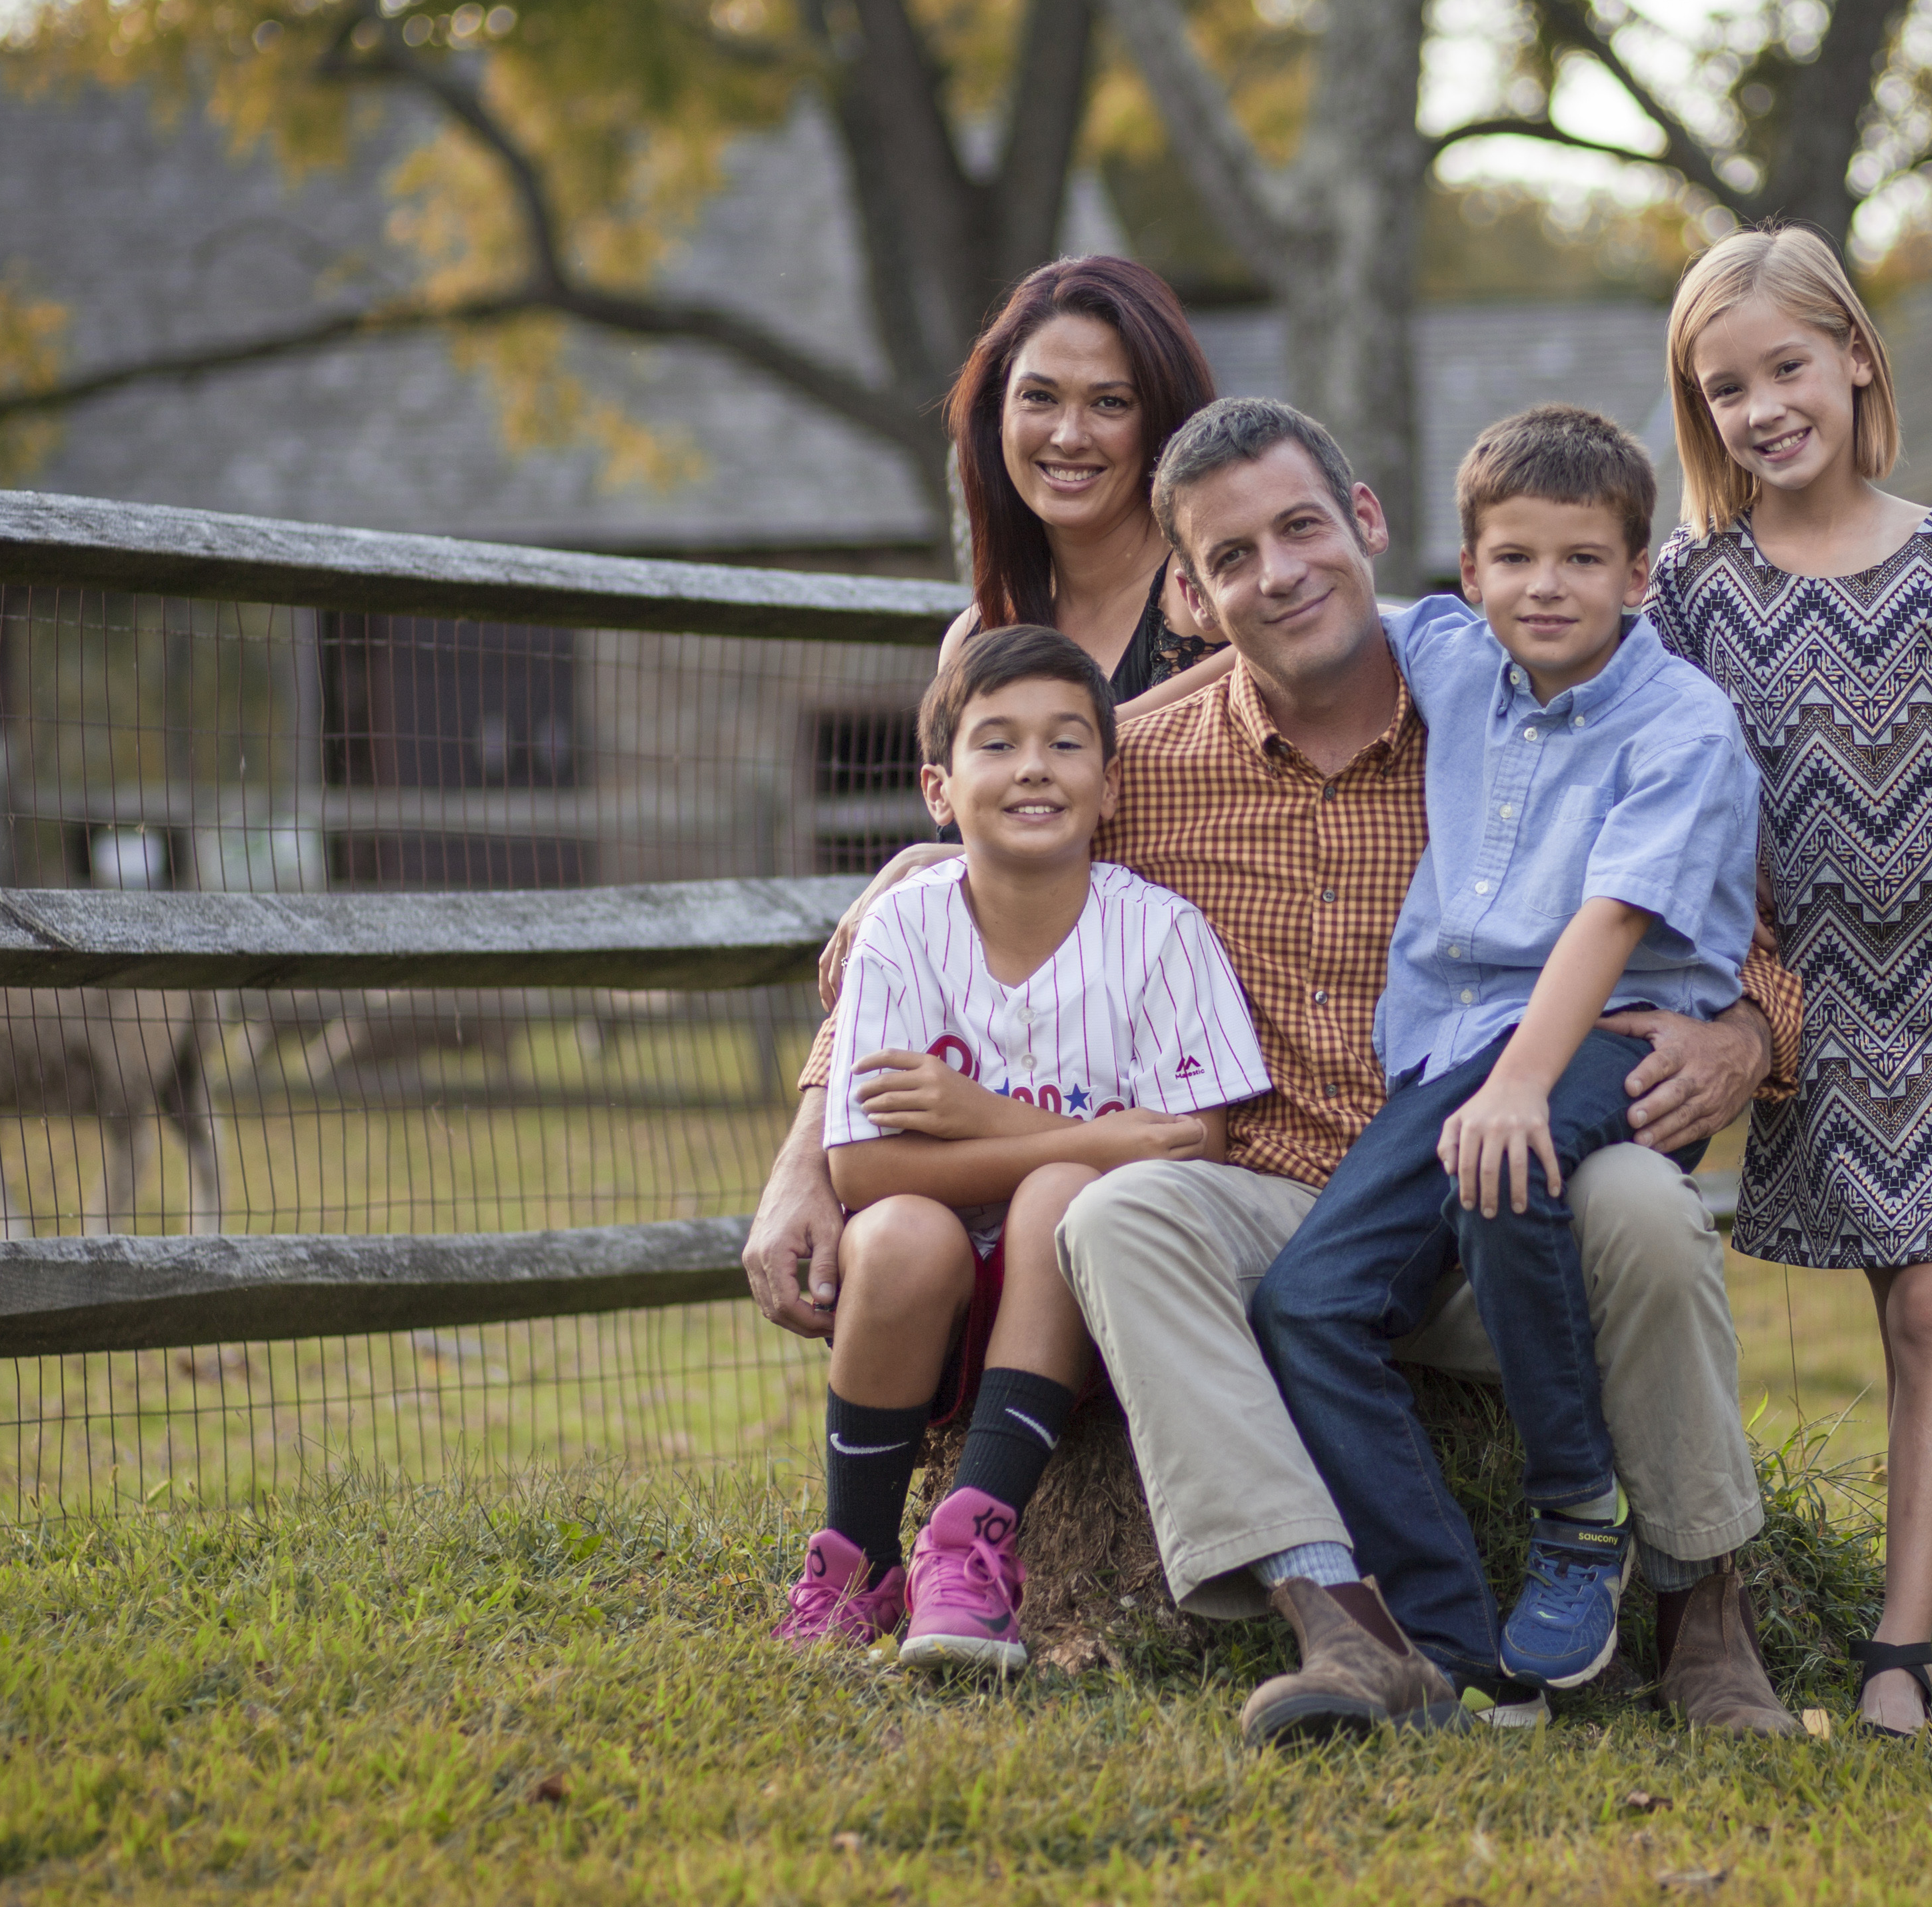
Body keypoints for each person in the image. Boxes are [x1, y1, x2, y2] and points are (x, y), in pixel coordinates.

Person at [749, 399, 1805, 1744]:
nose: (1281, 572)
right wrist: (809, 1136)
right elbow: (974, 878)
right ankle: (1348, 1627)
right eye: (1233, 557)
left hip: (1508, 1209)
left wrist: (1748, 1038)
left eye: (1303, 527)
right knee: (1113, 1209)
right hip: (1280, 1216)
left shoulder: (1495, 694)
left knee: (1646, 1206)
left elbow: (1733, 922)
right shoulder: (1146, 776)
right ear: (1190, 590)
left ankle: (1703, 1618)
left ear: (1367, 525)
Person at [1249, 405, 1760, 1697]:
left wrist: (1522, 1082)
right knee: (1307, 1303)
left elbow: (1612, 918)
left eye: (1583, 559)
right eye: (1516, 557)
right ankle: (1459, 1648)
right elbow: (1302, 620)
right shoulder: (1448, 650)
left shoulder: (1682, 725)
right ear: (1467, 573)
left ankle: (1578, 1506)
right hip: (1455, 1053)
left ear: (1639, 577)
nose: (1546, 586)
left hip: (1619, 1033)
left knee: (1508, 1158)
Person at [1646, 226, 1932, 1738]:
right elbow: (1637, 755)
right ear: (1702, 414)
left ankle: (1894, 1658)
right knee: (1911, 1319)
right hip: (1812, 1001)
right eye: (1727, 388)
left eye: (1788, 367)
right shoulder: (1692, 585)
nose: (1765, 406)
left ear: (1856, 358)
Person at [777, 626, 1269, 1676]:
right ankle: (854, 1559)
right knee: (906, 1228)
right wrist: (1090, 1135)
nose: (1033, 767)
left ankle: (972, 1542)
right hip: (929, 1300)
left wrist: (972, 1114)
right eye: (995, 744)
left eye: (1064, 743)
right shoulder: (903, 928)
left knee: (1058, 1192)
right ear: (938, 791)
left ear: (1108, 779)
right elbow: (862, 1173)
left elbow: (1192, 1141)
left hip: (1090, 1302)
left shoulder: (1161, 933)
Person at [938, 254, 1227, 713]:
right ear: (995, 414)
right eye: (1039, 397)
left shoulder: (1211, 600)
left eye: (1110, 402)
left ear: (1164, 421)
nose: (1068, 437)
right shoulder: (974, 638)